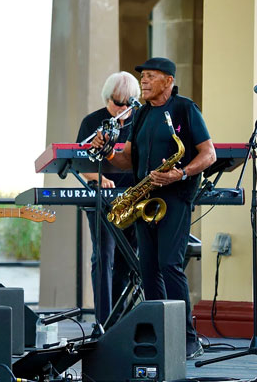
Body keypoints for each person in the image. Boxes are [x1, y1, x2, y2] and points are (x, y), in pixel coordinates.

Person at [91, 57, 216, 359]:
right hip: (145, 199)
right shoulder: (142, 114)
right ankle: (160, 334)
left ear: (168, 81)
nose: (143, 81)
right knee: (148, 269)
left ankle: (187, 338)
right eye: (142, 76)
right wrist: (107, 150)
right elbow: (128, 159)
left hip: (174, 197)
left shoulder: (186, 109)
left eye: (150, 76)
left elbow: (208, 154)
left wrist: (181, 172)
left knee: (169, 265)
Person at [75, 71, 139, 325]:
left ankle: (119, 320)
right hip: (102, 199)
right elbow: (79, 162)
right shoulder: (93, 122)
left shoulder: (139, 122)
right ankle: (103, 321)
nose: (122, 108)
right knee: (103, 257)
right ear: (107, 98)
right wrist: (99, 178)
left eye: (128, 103)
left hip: (133, 199)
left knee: (128, 260)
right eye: (117, 102)